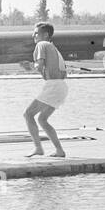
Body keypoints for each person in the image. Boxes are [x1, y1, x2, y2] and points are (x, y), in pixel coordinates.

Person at [24, 22, 68, 158]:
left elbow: (39, 65)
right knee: (42, 119)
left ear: (45, 35)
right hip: (61, 87)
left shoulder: (41, 45)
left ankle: (38, 148)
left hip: (53, 86)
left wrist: (30, 66)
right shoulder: (54, 48)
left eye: (36, 33)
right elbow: (63, 72)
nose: (33, 36)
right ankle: (59, 151)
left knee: (28, 114)